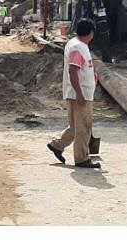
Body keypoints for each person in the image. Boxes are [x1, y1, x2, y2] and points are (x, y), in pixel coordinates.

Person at [47, 19, 100, 168]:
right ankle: (82, 158)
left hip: (76, 92)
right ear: (90, 33)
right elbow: (73, 71)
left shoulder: (75, 44)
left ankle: (57, 145)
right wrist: (80, 94)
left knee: (76, 126)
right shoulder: (78, 47)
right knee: (83, 127)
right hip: (80, 94)